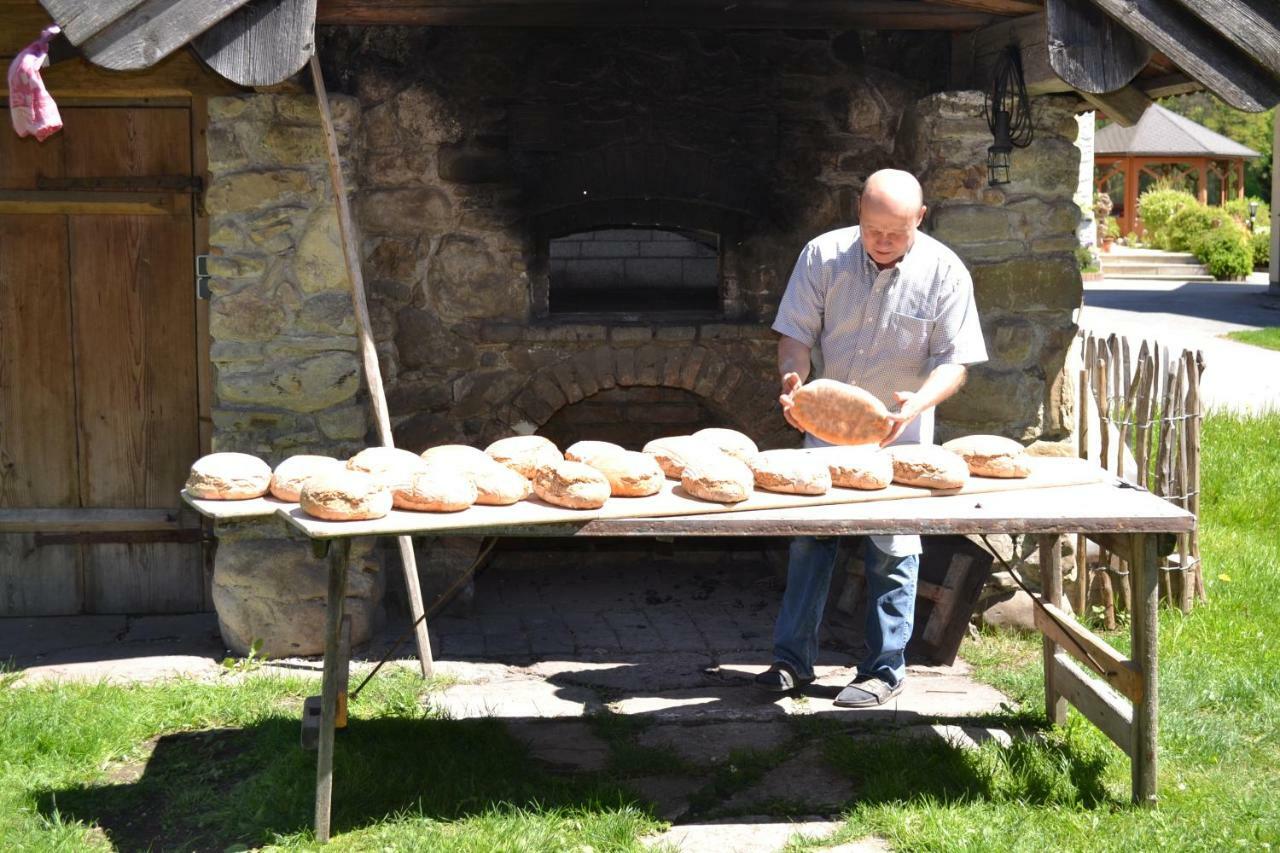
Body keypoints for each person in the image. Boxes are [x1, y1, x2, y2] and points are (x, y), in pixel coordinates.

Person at [755, 168, 988, 708]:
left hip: (901, 436)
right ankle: (793, 662)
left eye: (897, 233)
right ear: (859, 210)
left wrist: (921, 402)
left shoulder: (945, 271)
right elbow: (795, 335)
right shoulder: (822, 256)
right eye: (873, 229)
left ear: (920, 219)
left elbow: (956, 362)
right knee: (810, 541)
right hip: (827, 430)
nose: (882, 242)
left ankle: (884, 670)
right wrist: (794, 382)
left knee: (894, 548)